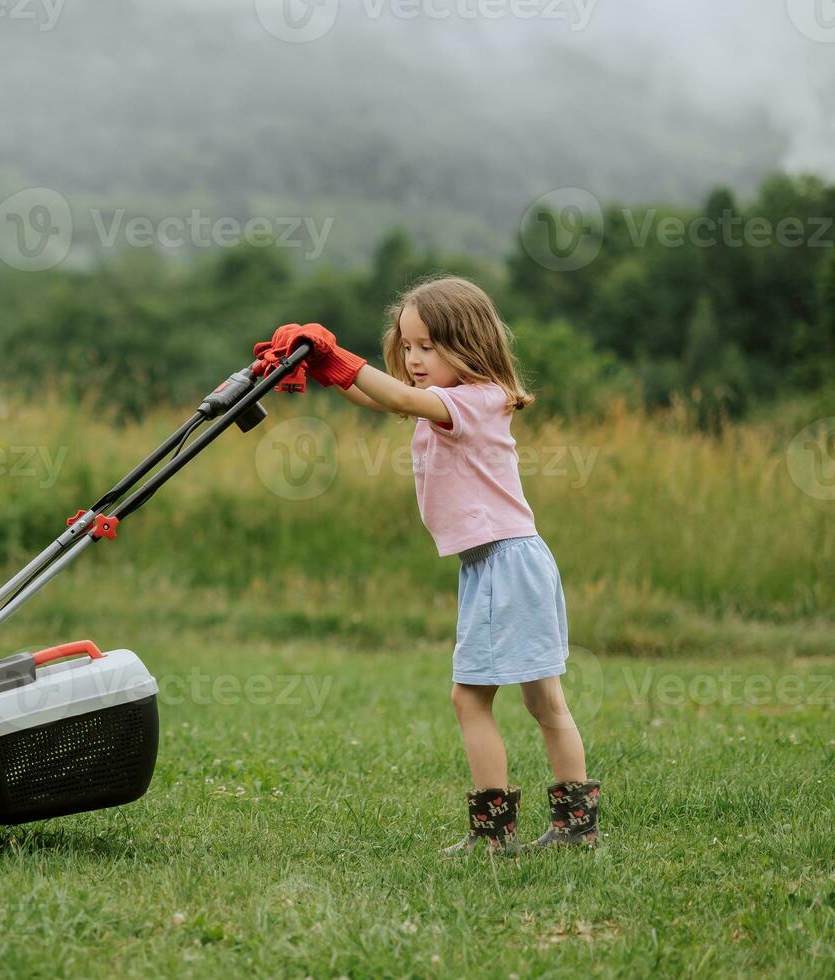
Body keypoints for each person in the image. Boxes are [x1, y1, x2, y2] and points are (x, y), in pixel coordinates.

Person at [253, 276, 600, 855]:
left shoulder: (475, 400)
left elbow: (398, 397)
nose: (414, 359)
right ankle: (575, 828)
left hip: (505, 563)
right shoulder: (449, 402)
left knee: (473, 700)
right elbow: (378, 397)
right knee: (543, 701)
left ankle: (496, 837)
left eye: (428, 346)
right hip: (504, 562)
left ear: (467, 344)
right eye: (407, 345)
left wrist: (340, 356)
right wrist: (318, 367)